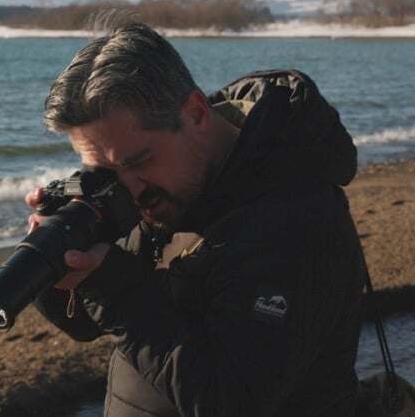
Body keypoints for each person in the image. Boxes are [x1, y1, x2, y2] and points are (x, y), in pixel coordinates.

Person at [26, 21, 367, 416]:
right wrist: (53, 261)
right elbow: (90, 323)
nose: (130, 190)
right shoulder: (166, 193)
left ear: (196, 113)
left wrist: (113, 291)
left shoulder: (297, 223)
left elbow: (229, 401)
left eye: (137, 161)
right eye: (104, 174)